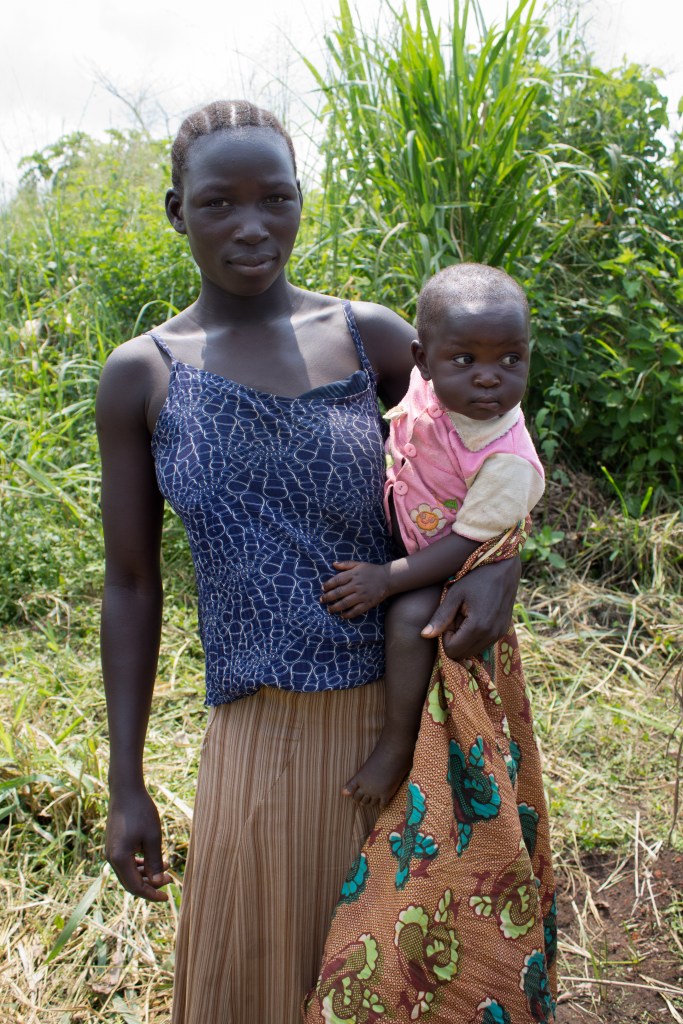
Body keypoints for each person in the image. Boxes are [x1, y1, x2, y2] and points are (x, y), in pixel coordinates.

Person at [96, 100, 521, 1024]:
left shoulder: (367, 337)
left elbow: (497, 444)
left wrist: (500, 564)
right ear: (177, 211)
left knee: (410, 982)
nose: (251, 228)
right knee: (257, 984)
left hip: (404, 719)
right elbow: (130, 584)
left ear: (300, 203)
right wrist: (124, 781)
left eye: (274, 199)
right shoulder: (146, 373)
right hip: (260, 739)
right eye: (218, 204)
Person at [320, 263, 545, 808]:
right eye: (465, 359)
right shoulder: (426, 388)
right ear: (423, 360)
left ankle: (396, 746)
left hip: (452, 569)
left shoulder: (508, 458)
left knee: (408, 617)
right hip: (412, 536)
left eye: (510, 359)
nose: (490, 377)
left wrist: (386, 579)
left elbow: (466, 544)